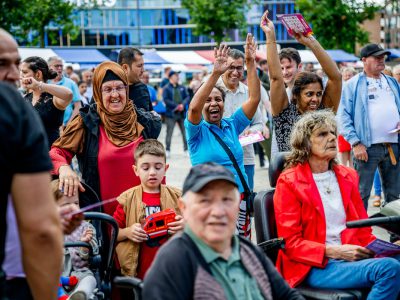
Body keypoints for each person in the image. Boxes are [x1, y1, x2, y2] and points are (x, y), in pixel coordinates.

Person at [274, 110, 400, 298]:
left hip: (350, 253)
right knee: (388, 269)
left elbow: (363, 230)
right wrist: (336, 251)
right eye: (323, 134)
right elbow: (291, 244)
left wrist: (387, 247)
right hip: (314, 264)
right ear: (305, 143)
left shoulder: (348, 175)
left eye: (333, 132)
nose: (332, 137)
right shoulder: (289, 182)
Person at [142, 162, 304, 300]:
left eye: (226, 199)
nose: (218, 212)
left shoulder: (248, 250)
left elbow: (287, 295)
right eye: (205, 201)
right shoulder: (174, 261)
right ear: (184, 207)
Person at [50, 61, 158, 216]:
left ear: (126, 90)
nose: (115, 95)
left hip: (144, 215)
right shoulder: (87, 121)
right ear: (98, 93)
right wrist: (64, 168)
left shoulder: (143, 120)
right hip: (105, 218)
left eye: (120, 88)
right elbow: (56, 153)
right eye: (107, 89)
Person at [185, 37, 260, 238]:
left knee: (242, 249)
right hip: (210, 201)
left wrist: (251, 63)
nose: (213, 104)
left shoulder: (231, 124)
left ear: (224, 104)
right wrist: (216, 73)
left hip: (239, 198)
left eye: (218, 99)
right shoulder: (196, 132)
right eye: (208, 100)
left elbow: (254, 99)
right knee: (217, 248)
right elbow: (193, 108)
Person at [0, 80, 63, 299]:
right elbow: (41, 231)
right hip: (13, 277)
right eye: (3, 64)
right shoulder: (13, 109)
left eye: (17, 64)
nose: (13, 74)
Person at [260, 10, 342, 153]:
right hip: (292, 173)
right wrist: (270, 36)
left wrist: (311, 42)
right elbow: (275, 78)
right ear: (296, 95)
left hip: (322, 173)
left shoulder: (324, 112)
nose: (315, 99)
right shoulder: (284, 114)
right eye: (309, 94)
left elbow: (336, 78)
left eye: (318, 94)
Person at [338, 43, 400, 210]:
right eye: (377, 57)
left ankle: (394, 236)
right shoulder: (353, 84)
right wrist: (356, 143)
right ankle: (360, 235)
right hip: (365, 147)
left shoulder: (392, 82)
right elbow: (343, 117)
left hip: (393, 146)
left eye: (383, 56)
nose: (382, 59)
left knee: (394, 195)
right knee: (361, 193)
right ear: (364, 60)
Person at [113, 139, 184, 279]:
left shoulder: (178, 196)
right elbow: (113, 234)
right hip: (138, 271)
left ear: (166, 169)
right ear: (136, 170)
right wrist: (128, 232)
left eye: (158, 167)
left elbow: (197, 229)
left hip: (171, 269)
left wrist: (184, 225)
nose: (152, 172)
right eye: (145, 168)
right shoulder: (127, 199)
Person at [215, 46, 263, 191]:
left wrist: (252, 132)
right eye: (231, 67)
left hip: (245, 157)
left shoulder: (249, 93)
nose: (235, 72)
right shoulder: (213, 90)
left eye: (239, 68)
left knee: (245, 204)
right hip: (219, 158)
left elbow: (259, 123)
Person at [52, 180, 98, 300]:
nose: (73, 208)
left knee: (90, 279)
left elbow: (93, 256)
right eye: (66, 205)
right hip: (55, 277)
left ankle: (79, 295)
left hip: (79, 273)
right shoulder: (49, 228)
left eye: (76, 203)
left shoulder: (85, 227)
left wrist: (84, 245)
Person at [20, 56, 73, 147]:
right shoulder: (25, 98)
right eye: (20, 72)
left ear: (38, 74)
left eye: (24, 72)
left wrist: (39, 85)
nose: (21, 75)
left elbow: (68, 94)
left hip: (50, 155)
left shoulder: (53, 97)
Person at [48, 56, 82, 126]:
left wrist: (69, 124)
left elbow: (78, 106)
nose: (60, 68)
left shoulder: (71, 83)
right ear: (49, 67)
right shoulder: (45, 83)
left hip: (65, 125)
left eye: (61, 66)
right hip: (48, 126)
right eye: (57, 66)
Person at [163, 70, 190, 157]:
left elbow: (187, 97)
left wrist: (182, 104)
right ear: (171, 77)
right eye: (175, 76)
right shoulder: (166, 88)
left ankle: (186, 149)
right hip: (171, 113)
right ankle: (167, 150)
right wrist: (176, 106)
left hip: (182, 113)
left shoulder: (182, 87)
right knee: (169, 132)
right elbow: (166, 99)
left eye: (177, 76)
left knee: (184, 132)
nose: (177, 77)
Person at [118, 47, 153, 111]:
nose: (143, 70)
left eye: (143, 66)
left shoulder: (142, 88)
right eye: (139, 66)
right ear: (125, 68)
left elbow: (150, 115)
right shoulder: (110, 89)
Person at [337, 67, 358, 168]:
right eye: (345, 76)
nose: (346, 77)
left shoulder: (357, 89)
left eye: (349, 75)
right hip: (344, 127)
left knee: (353, 159)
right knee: (343, 156)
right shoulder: (340, 89)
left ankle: (352, 178)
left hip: (356, 129)